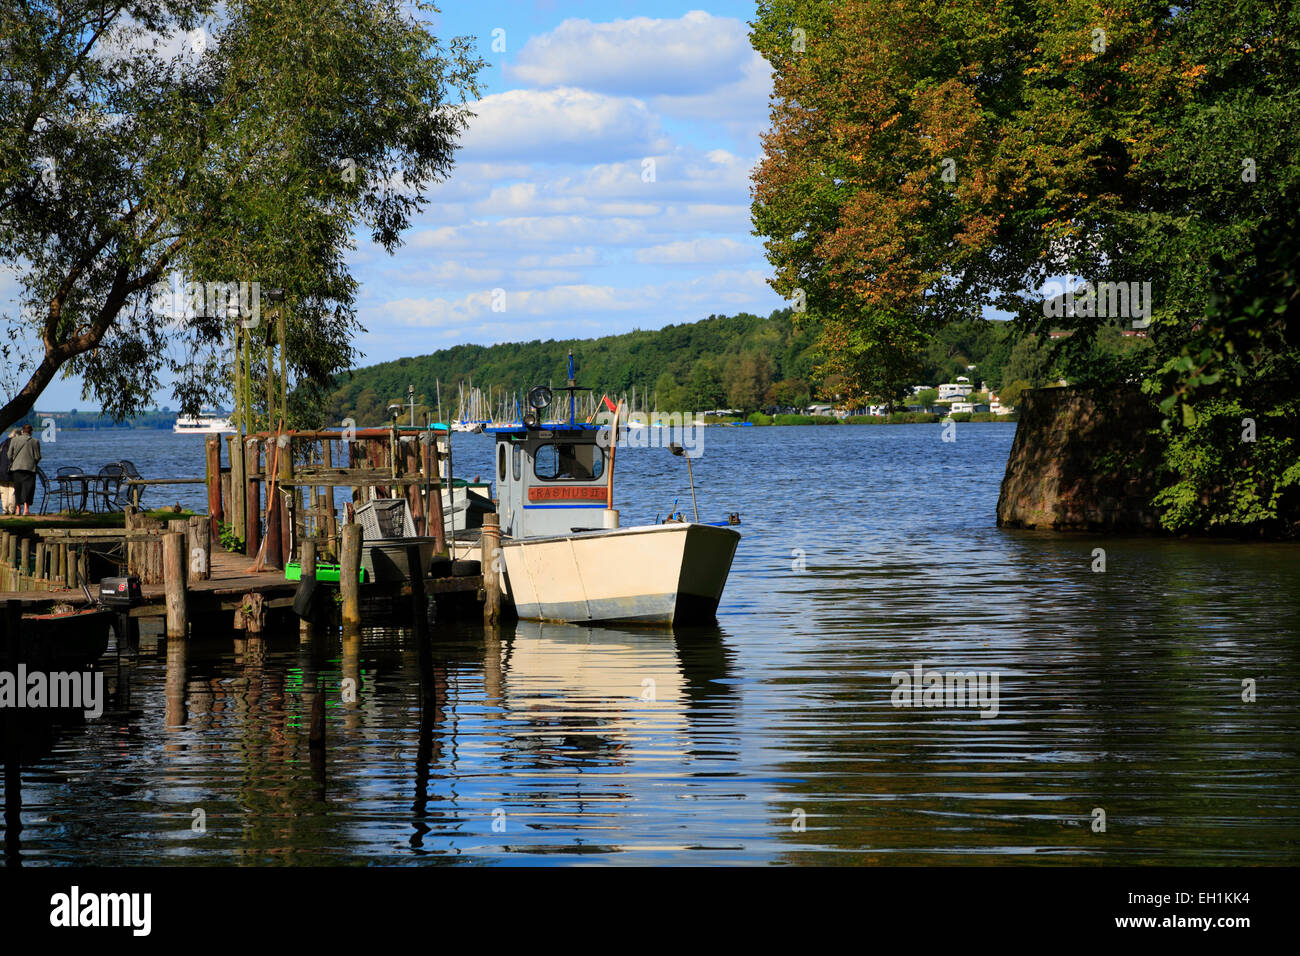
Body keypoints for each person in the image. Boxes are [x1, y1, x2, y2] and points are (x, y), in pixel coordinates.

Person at [8, 423, 41, 516]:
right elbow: (37, 457)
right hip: (29, 468)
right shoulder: (35, 441)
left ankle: (18, 509)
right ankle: (26, 509)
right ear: (31, 432)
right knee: (28, 489)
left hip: (16, 468)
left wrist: (14, 461)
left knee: (17, 488)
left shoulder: (14, 440)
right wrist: (34, 463)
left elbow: (9, 455)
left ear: (22, 431)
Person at [0, 430, 14, 515]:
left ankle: (5, 509)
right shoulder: (15, 445)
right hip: (11, 471)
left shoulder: (2, 444)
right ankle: (11, 509)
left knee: (3, 491)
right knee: (12, 490)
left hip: (1, 471)